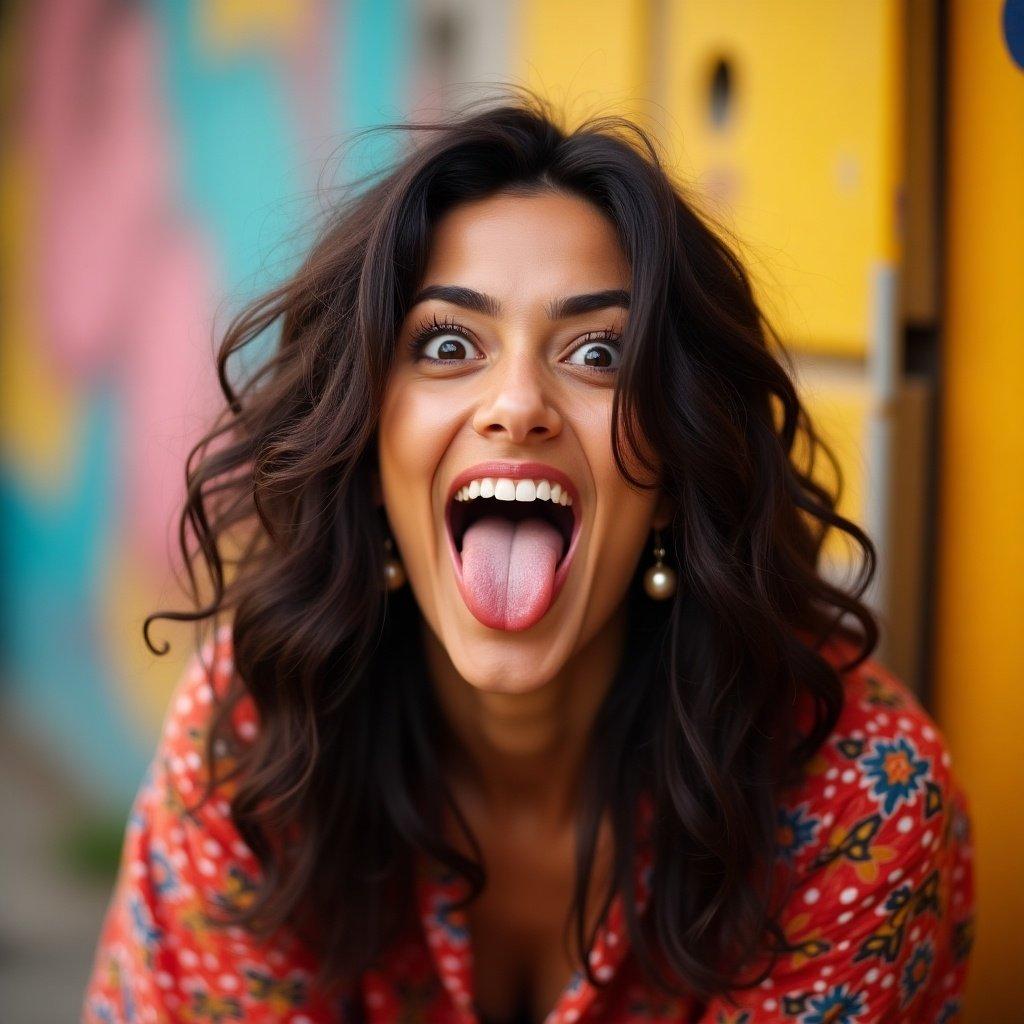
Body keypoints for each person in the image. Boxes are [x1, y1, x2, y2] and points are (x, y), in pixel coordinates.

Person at [82, 92, 974, 1023]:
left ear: (675, 466)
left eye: (598, 353)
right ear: (368, 442)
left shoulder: (856, 794)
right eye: (449, 343)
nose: (519, 403)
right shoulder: (264, 726)